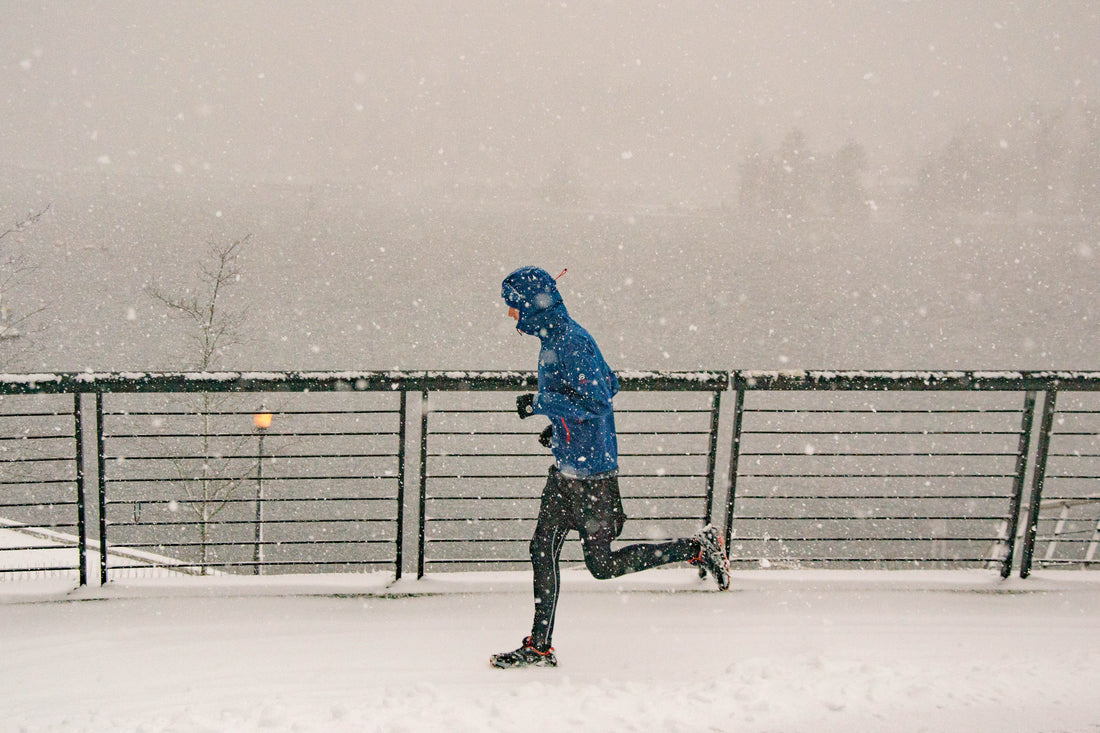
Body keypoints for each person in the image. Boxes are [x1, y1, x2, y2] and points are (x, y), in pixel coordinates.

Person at [490, 266, 730, 670]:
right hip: (566, 469)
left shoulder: (571, 342)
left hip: (593, 476)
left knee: (601, 566)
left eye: (515, 308)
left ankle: (697, 548)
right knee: (541, 549)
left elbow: (599, 401)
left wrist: (541, 405)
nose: (511, 317)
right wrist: (560, 427)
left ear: (533, 306)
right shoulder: (556, 338)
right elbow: (609, 383)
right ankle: (539, 646)